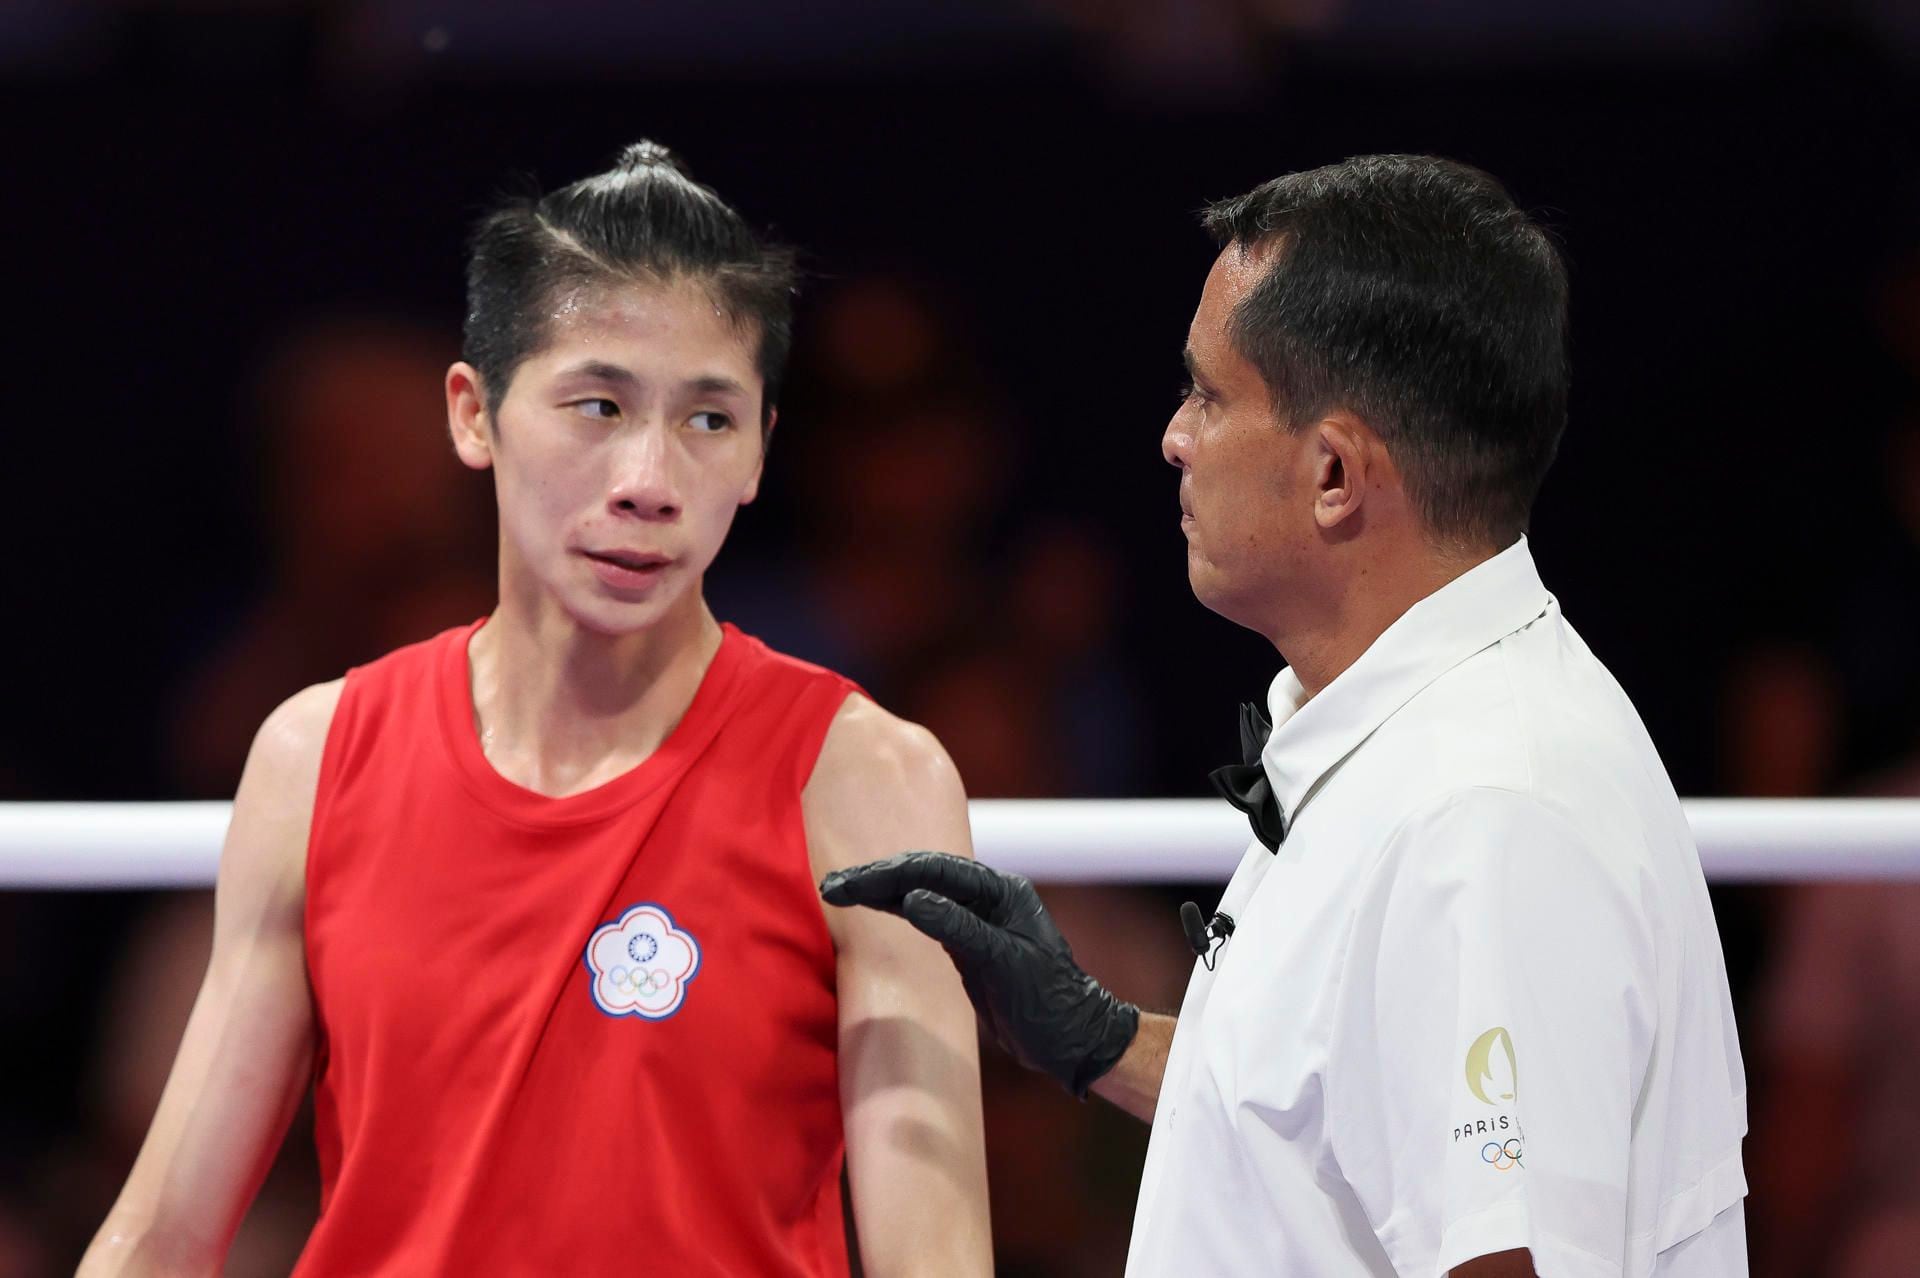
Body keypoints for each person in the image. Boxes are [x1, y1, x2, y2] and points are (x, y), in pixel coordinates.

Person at [825, 154, 1748, 1276]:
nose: (1174, 436)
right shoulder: (1407, 738)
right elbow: (1355, 1136)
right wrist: (1100, 1038)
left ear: (1334, 474)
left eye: (1208, 395)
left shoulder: (1490, 812)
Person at [80, 142, 992, 1277]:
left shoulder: (868, 780)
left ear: (762, 446)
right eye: (598, 405)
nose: (649, 479)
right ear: (474, 414)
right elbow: (162, 1234)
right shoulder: (317, 756)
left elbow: (937, 1258)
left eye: (708, 418)